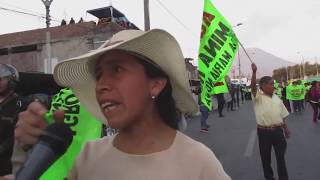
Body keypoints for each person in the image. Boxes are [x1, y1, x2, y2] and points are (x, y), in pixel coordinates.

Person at [13, 29, 231, 180]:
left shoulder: (198, 162)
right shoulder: (89, 156)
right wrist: (26, 150)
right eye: (98, 75)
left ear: (155, 85)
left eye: (116, 69)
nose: (101, 86)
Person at [251, 63, 290, 180]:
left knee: (281, 158)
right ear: (262, 86)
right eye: (271, 84)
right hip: (264, 133)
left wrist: (286, 128)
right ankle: (269, 178)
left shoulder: (276, 97)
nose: (274, 86)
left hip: (278, 132)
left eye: (274, 84)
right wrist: (254, 72)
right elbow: (253, 87)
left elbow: (281, 115)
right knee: (265, 158)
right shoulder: (257, 96)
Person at [0, 64, 21, 176]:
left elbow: (19, 134)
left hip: (9, 164)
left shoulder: (20, 103)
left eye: (0, 79)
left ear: (11, 80)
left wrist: (3, 147)